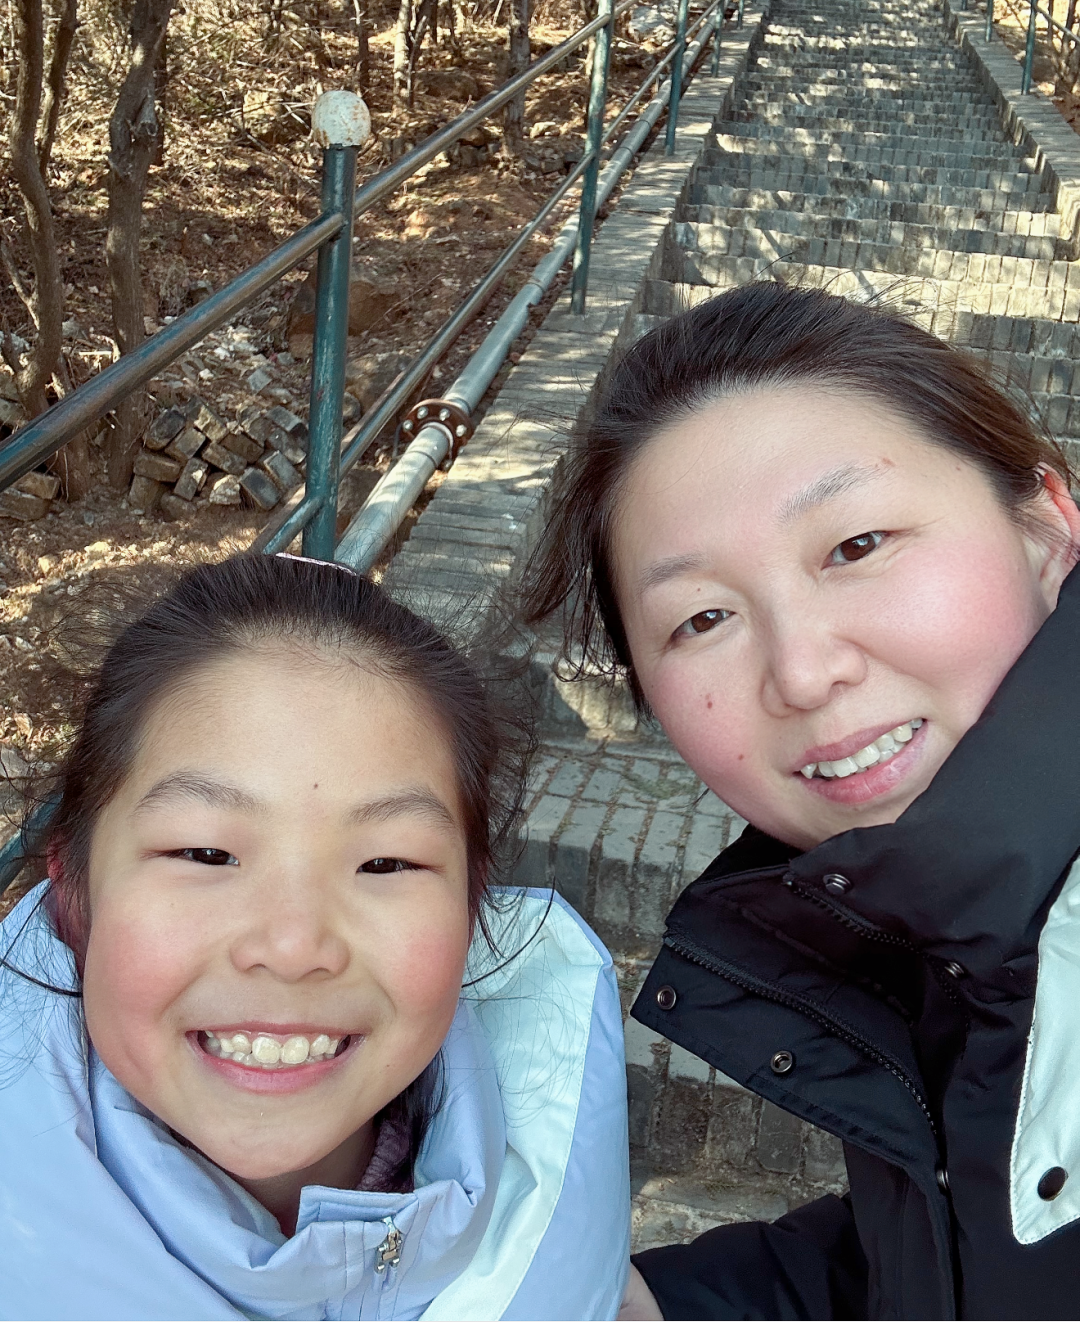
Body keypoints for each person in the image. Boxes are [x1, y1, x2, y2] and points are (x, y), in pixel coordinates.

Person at [523, 282, 1080, 1320]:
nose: (803, 672)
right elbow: (955, 1264)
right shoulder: (951, 943)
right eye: (701, 618)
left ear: (1048, 527)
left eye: (857, 545)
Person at [0, 554, 629, 1321]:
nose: (294, 947)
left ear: (470, 910)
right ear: (73, 890)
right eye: (205, 853)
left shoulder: (556, 1217)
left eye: (385, 863)